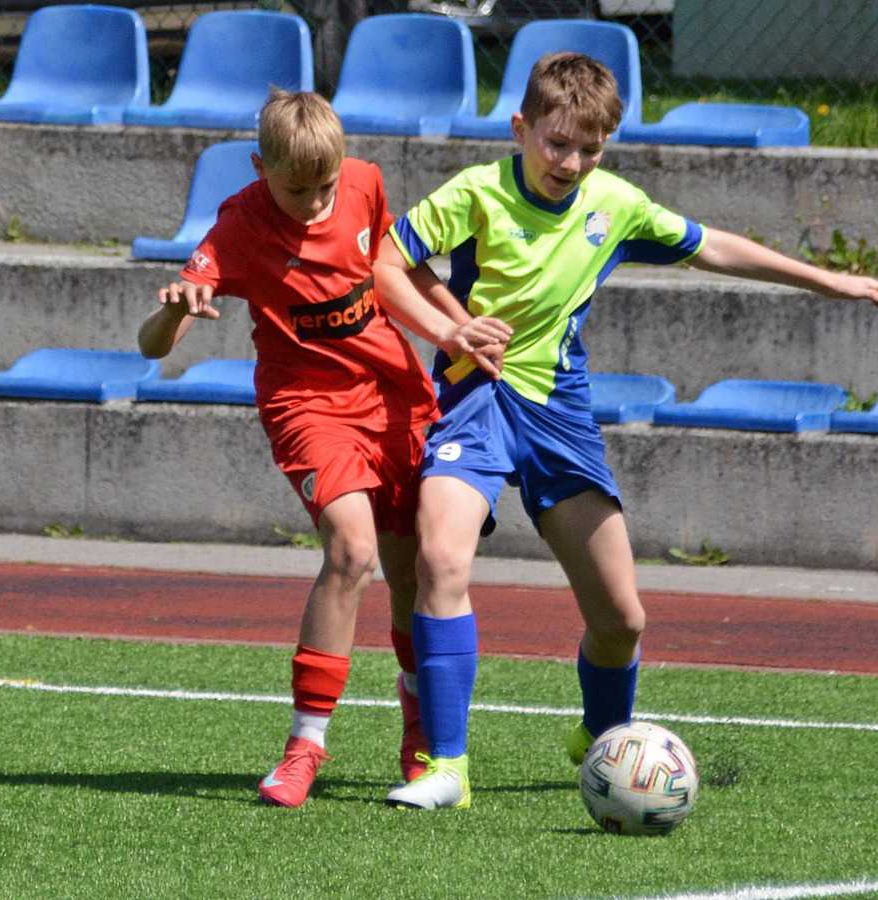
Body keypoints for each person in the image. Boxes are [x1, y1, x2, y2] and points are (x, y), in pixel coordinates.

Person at [373, 51, 878, 810]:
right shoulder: (476, 192)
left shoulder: (615, 204)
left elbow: (712, 245)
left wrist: (827, 279)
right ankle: (446, 767)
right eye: (555, 143)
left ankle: (604, 741)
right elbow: (384, 262)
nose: (570, 163)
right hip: (472, 403)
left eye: (588, 148)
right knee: (441, 559)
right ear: (519, 128)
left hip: (559, 419)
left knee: (621, 620)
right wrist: (449, 330)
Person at [137, 89, 511, 807]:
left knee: (411, 573)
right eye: (295, 190)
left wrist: (451, 327)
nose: (313, 204)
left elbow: (393, 274)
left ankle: (420, 733)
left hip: (394, 396)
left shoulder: (365, 184)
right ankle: (304, 746)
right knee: (350, 550)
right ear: (260, 169)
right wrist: (171, 310)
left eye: (325, 188)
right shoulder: (239, 225)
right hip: (307, 407)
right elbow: (154, 345)